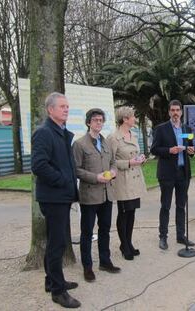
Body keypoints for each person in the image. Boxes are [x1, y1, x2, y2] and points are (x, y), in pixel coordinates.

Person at [31, 92, 81, 308]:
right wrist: (62, 181)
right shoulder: (44, 133)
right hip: (53, 197)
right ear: (50, 110)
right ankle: (58, 292)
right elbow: (39, 166)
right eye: (62, 106)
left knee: (56, 241)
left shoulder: (61, 132)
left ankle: (52, 281)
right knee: (57, 243)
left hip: (62, 196)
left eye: (67, 106)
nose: (66, 109)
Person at [72, 108, 121, 283]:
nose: (98, 123)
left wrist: (113, 172)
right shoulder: (79, 144)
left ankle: (105, 261)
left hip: (107, 195)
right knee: (87, 232)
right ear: (88, 123)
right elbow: (76, 170)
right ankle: (87, 267)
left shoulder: (106, 142)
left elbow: (113, 162)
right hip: (89, 196)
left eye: (101, 120)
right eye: (95, 120)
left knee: (105, 230)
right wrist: (95, 177)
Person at [150, 99, 195, 250]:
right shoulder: (161, 129)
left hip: (183, 173)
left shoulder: (187, 129)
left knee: (181, 206)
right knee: (166, 206)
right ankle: (163, 237)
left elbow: (191, 148)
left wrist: (191, 151)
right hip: (167, 174)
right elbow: (154, 149)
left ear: (181, 112)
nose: (175, 113)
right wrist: (169, 150)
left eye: (178, 110)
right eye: (173, 110)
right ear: (169, 112)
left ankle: (181, 236)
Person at [107, 107, 147, 260]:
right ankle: (124, 245)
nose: (135, 118)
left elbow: (134, 154)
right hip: (123, 181)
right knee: (124, 214)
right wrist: (129, 162)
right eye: (133, 116)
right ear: (125, 119)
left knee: (131, 213)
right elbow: (110, 161)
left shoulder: (133, 135)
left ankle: (128, 243)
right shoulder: (113, 138)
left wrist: (140, 159)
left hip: (135, 179)